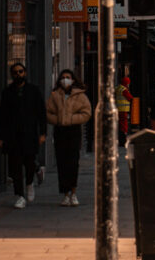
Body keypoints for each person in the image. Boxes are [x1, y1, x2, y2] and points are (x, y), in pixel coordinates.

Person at [0, 63, 47, 209]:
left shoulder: (34, 91)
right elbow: (2, 116)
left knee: (29, 162)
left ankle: (30, 183)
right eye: (15, 72)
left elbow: (41, 113)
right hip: (13, 136)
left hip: (30, 134)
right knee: (15, 166)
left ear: (25, 72)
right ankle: (19, 195)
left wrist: (43, 133)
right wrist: (0, 137)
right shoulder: (8, 92)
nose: (18, 74)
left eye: (20, 71)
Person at [46, 69, 91, 206]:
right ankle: (65, 193)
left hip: (73, 131)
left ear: (73, 80)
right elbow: (48, 112)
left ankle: (73, 192)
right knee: (62, 162)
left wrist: (71, 119)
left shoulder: (80, 95)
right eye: (63, 77)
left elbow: (86, 112)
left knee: (73, 162)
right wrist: (59, 120)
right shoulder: (55, 95)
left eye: (68, 77)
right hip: (60, 131)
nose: (65, 79)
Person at [115, 76, 134, 147]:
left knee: (120, 125)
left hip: (118, 109)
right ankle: (123, 140)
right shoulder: (124, 90)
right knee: (124, 126)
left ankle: (120, 139)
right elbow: (130, 98)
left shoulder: (117, 88)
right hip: (123, 110)